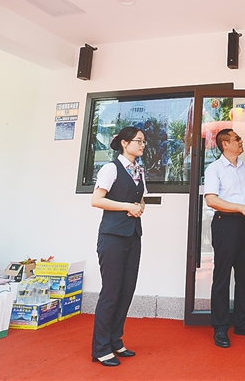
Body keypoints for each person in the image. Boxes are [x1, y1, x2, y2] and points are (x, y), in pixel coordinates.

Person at [90, 127, 147, 367]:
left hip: (133, 235)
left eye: (143, 142)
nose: (142, 145)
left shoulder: (139, 170)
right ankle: (101, 348)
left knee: (126, 290)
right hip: (112, 237)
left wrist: (139, 206)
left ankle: (115, 340)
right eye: (138, 141)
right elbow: (96, 200)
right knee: (111, 292)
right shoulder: (111, 168)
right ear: (124, 143)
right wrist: (127, 206)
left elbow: (140, 198)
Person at [204, 128, 245, 348]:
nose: (241, 142)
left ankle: (242, 323)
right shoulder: (215, 169)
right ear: (225, 144)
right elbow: (211, 200)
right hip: (225, 223)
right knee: (222, 276)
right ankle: (220, 327)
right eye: (236, 139)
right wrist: (241, 208)